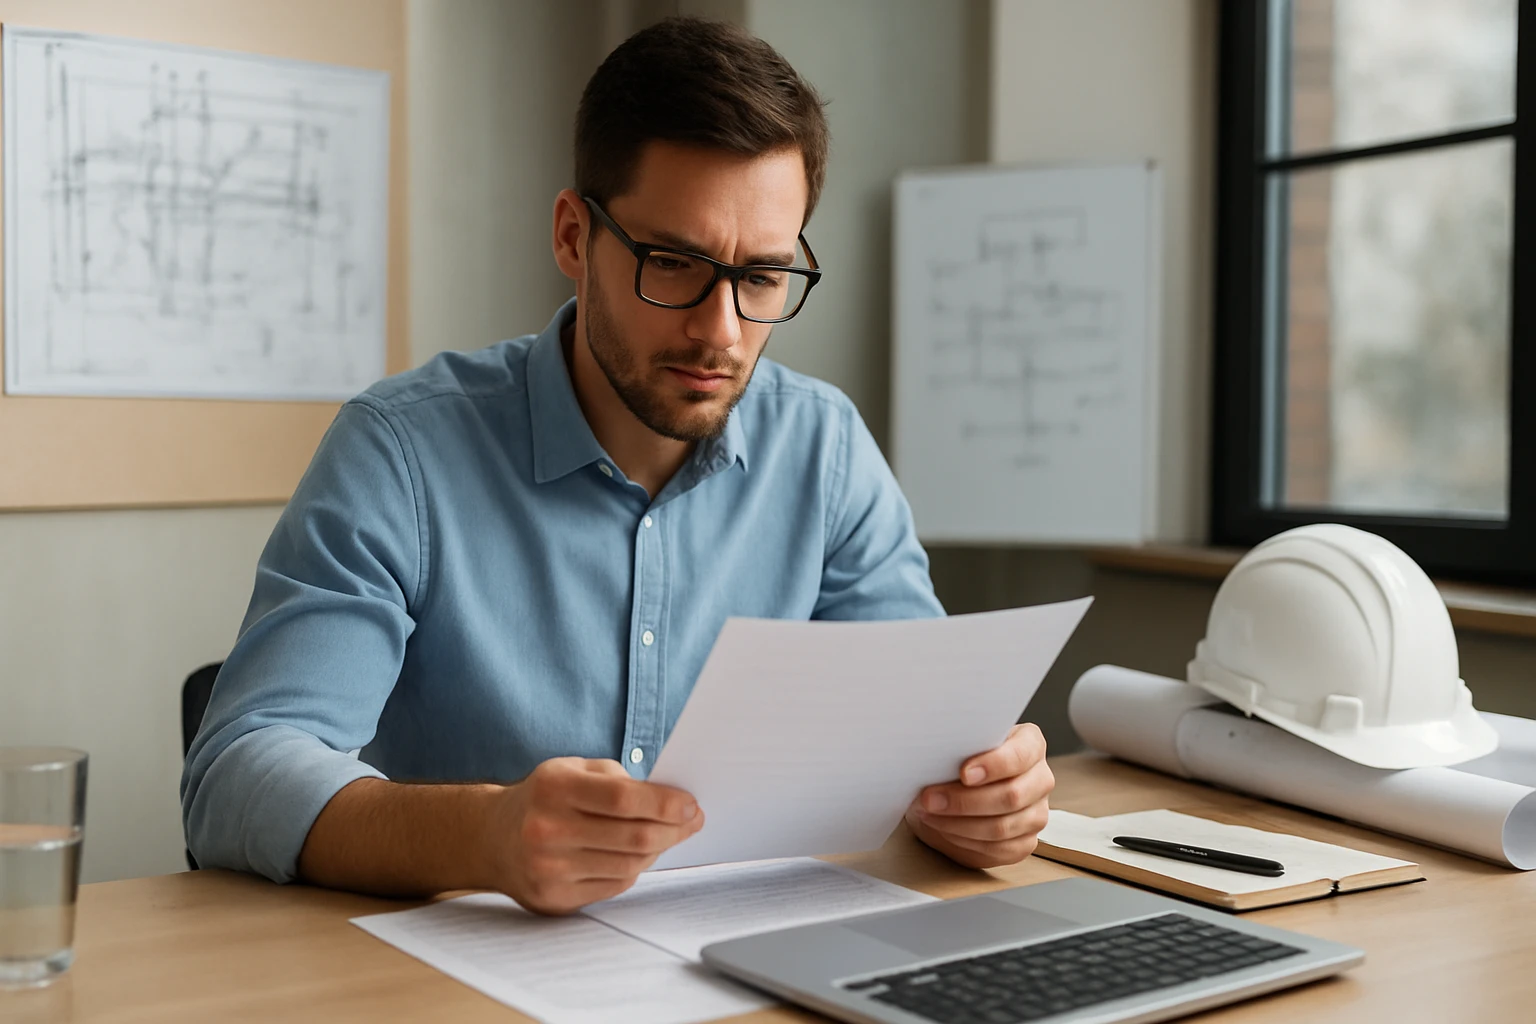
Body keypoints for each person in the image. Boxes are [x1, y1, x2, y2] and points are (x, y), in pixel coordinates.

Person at [182, 17, 1054, 916]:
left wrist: (980, 799)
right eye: (672, 263)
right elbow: (235, 773)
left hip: (742, 961)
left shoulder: (825, 451)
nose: (720, 331)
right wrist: (484, 836)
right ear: (572, 236)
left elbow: (921, 740)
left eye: (761, 277)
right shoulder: (401, 452)